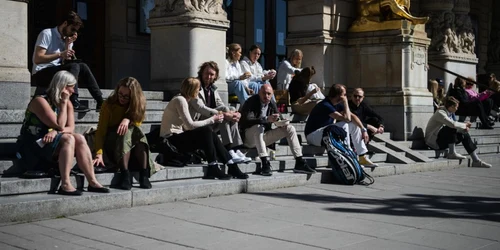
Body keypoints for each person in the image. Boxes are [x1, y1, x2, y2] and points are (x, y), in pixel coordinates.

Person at [16, 70, 109, 195]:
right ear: (63, 86)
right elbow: (60, 125)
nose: (74, 91)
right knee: (68, 139)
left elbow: (70, 128)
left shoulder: (68, 103)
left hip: (49, 143)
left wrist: (55, 131)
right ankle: (65, 184)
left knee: (79, 138)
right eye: (72, 87)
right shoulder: (40, 101)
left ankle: (92, 181)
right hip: (33, 146)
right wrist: (63, 104)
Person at [160, 77, 248, 179]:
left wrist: (217, 116)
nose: (199, 91)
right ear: (193, 90)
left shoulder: (184, 100)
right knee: (206, 130)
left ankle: (231, 164)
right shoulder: (180, 100)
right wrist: (212, 120)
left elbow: (187, 124)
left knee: (210, 133)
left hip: (178, 136)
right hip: (171, 141)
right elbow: (190, 125)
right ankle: (214, 166)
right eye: (198, 89)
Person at [32, 11, 104, 112]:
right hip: (42, 73)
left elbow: (67, 64)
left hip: (57, 73)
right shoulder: (47, 33)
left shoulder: (67, 39)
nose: (74, 33)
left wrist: (67, 45)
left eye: (76, 31)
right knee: (75, 66)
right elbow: (38, 58)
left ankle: (100, 101)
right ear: (65, 24)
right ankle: (73, 100)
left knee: (82, 66)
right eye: (73, 29)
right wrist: (61, 54)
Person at [92, 77, 155, 190]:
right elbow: (101, 131)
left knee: (134, 131)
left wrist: (127, 119)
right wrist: (99, 153)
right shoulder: (108, 104)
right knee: (127, 132)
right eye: (120, 94)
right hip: (112, 141)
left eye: (126, 96)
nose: (122, 98)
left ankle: (144, 174)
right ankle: (125, 173)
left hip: (131, 142)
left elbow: (138, 122)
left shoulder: (139, 104)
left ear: (133, 97)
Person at [239, 84, 316, 176]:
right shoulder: (251, 101)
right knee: (258, 127)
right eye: (264, 93)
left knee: (290, 128)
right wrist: (267, 119)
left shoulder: (271, 103)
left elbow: (279, 117)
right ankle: (265, 163)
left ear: (272, 95)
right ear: (259, 92)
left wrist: (282, 122)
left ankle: (299, 162)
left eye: (269, 94)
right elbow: (247, 120)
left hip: (262, 137)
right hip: (249, 138)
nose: (266, 96)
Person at [188, 61, 251, 163]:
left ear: (215, 75)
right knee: (224, 113)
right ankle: (229, 149)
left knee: (227, 111)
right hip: (198, 123)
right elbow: (201, 108)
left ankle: (235, 149)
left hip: (211, 120)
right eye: (206, 73)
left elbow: (221, 104)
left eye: (212, 74)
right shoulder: (195, 85)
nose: (208, 77)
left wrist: (235, 113)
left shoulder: (212, 88)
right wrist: (223, 114)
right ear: (201, 73)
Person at [304, 84, 378, 168]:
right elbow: (346, 119)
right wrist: (346, 102)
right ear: (339, 95)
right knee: (344, 124)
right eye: (344, 94)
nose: (346, 96)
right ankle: (348, 155)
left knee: (354, 125)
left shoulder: (336, 103)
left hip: (325, 133)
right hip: (313, 136)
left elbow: (352, 117)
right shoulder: (325, 105)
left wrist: (363, 129)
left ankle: (362, 157)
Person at [425, 96, 492, 168]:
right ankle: (452, 153)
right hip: (433, 142)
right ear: (451, 107)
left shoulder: (449, 113)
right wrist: (465, 124)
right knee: (451, 127)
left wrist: (463, 129)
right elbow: (452, 124)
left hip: (441, 139)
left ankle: (476, 160)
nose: (457, 109)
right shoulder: (440, 113)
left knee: (464, 134)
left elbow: (454, 125)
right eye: (456, 107)